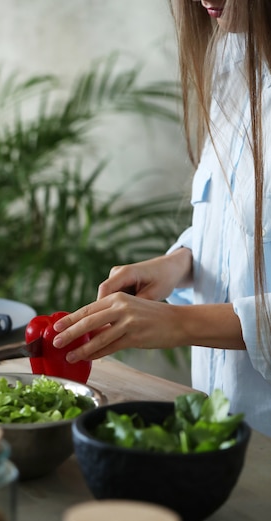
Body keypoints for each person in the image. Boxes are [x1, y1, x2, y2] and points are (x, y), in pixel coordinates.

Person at [51, 0, 271, 436]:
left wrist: (179, 323)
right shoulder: (234, 56)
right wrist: (178, 264)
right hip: (221, 429)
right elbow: (236, 227)